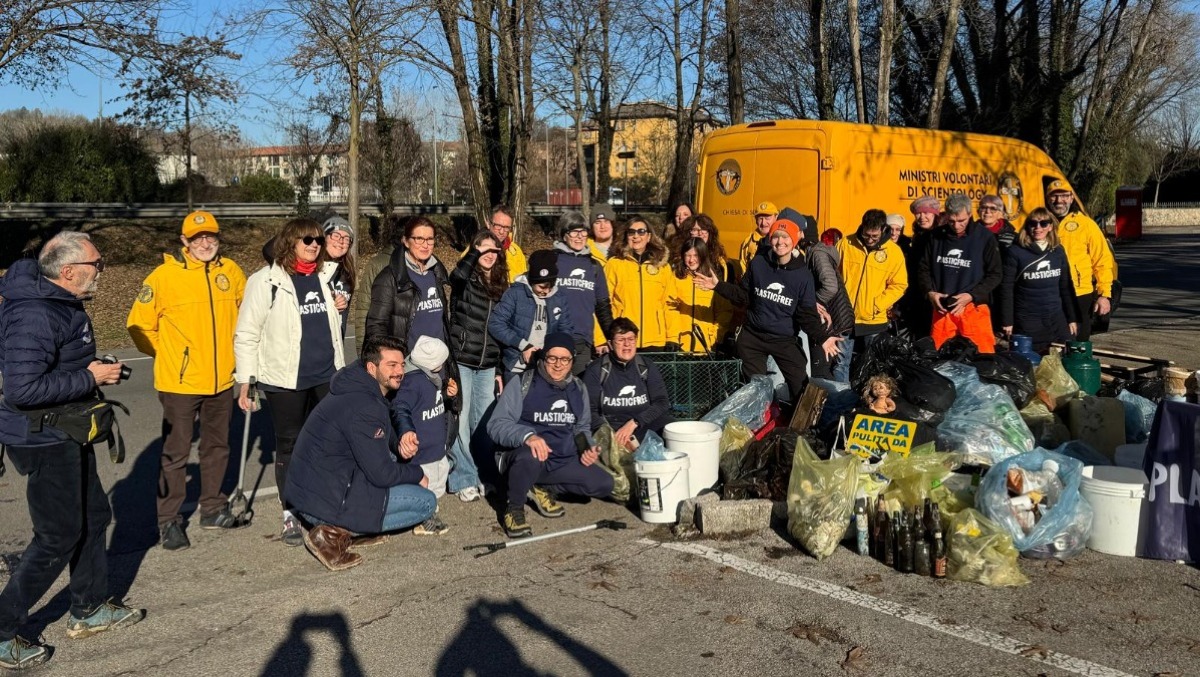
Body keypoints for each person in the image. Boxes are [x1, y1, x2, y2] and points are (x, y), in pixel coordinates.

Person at [0, 233, 144, 669]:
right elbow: (22, 388)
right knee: (57, 535)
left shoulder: (58, 300)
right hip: (42, 436)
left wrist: (91, 368)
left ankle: (88, 607)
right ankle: (4, 630)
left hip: (68, 429)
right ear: (68, 271)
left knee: (95, 516)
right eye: (97, 264)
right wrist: (90, 377)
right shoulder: (35, 313)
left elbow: (53, 364)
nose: (102, 270)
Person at [126, 210, 248, 551]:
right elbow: (138, 325)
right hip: (179, 384)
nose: (205, 243)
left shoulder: (232, 271)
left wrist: (244, 366)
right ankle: (169, 521)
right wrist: (168, 355)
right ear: (184, 242)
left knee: (217, 447)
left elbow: (247, 320)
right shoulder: (164, 276)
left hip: (222, 380)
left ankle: (212, 507)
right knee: (175, 453)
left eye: (210, 236)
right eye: (197, 238)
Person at [234, 218, 347, 547]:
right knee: (290, 446)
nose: (314, 245)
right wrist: (246, 380)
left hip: (326, 374)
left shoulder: (326, 276)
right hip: (285, 379)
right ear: (289, 243)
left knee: (326, 443)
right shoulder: (265, 281)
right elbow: (247, 334)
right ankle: (291, 512)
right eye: (306, 240)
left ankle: (322, 504)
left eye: (317, 240)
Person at [286, 335, 438, 572]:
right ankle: (330, 535)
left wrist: (398, 444)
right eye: (391, 365)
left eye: (402, 365)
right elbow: (382, 475)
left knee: (393, 463)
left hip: (316, 490)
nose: (400, 371)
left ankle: (356, 528)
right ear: (371, 367)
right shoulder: (365, 407)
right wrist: (417, 473)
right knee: (425, 502)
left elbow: (375, 439)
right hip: (325, 503)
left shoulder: (357, 387)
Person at [696, 219, 841, 405]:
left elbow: (805, 314)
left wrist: (823, 337)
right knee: (755, 389)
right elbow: (743, 296)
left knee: (800, 386)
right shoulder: (759, 263)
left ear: (794, 240)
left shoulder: (803, 275)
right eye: (776, 237)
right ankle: (760, 424)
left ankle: (801, 428)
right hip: (753, 338)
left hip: (783, 339)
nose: (780, 242)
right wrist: (718, 285)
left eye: (785, 237)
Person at [487, 332, 613, 538]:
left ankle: (539, 486)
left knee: (603, 484)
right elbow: (496, 425)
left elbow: (581, 427)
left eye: (565, 359)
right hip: (523, 456)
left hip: (559, 459)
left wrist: (586, 447)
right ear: (544, 357)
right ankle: (514, 508)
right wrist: (528, 436)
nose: (558, 364)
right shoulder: (523, 383)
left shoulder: (578, 388)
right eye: (552, 358)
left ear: (572, 361)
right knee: (530, 456)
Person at [448, 230, 508, 500]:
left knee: (483, 421)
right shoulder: (465, 279)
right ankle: (463, 477)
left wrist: (497, 369)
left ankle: (484, 473)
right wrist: (476, 250)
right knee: (460, 420)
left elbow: (499, 329)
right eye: (483, 250)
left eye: (494, 251)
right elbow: (455, 276)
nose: (489, 255)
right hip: (462, 359)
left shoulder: (500, 285)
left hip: (487, 364)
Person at [392, 336, 460, 536]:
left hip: (437, 447)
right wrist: (406, 431)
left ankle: (431, 509)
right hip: (422, 450)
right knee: (425, 484)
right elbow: (400, 407)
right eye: (440, 362)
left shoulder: (432, 376)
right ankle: (423, 517)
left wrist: (448, 394)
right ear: (431, 363)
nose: (443, 365)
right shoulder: (412, 382)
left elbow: (434, 401)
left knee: (439, 478)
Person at [918, 193, 1003, 352]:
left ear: (970, 214)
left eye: (961, 221)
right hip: (942, 309)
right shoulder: (936, 237)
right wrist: (930, 293)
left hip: (973, 308)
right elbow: (923, 269)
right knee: (938, 358)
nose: (956, 226)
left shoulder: (985, 238)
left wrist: (972, 295)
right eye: (951, 221)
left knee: (983, 357)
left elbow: (995, 274)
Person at [365, 216, 452, 353]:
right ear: (406, 241)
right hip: (408, 365)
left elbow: (442, 326)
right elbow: (376, 327)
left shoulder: (436, 274)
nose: (425, 245)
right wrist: (393, 362)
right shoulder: (389, 278)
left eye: (430, 239)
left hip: (439, 366)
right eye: (419, 239)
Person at [584, 318, 674, 449]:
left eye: (631, 339)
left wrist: (635, 422)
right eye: (621, 340)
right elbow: (589, 410)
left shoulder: (646, 366)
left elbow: (662, 402)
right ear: (610, 344)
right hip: (610, 426)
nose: (627, 344)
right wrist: (609, 434)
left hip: (641, 422)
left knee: (675, 428)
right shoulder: (597, 369)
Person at [1045, 179, 1116, 341]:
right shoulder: (1040, 224)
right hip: (1049, 292)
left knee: (1078, 341)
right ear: (1048, 199)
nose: (1058, 201)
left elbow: (1102, 260)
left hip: (1080, 293)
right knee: (1051, 342)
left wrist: (1104, 294)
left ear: (1071, 198)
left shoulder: (1086, 224)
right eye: (1054, 196)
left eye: (1063, 196)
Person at [1000, 208, 1079, 352]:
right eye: (1033, 223)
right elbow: (1006, 289)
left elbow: (1066, 287)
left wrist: (1071, 318)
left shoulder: (1058, 251)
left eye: (1043, 223)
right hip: (1027, 318)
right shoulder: (1015, 252)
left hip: (1055, 316)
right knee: (1032, 362)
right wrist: (1007, 321)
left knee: (1067, 354)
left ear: (1050, 227)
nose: (1038, 228)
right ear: (1027, 226)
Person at [490, 250, 576, 381]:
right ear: (532, 281)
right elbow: (496, 324)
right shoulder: (515, 293)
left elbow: (566, 330)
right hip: (517, 366)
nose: (546, 291)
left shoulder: (559, 298)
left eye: (550, 286)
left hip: (548, 366)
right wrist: (523, 345)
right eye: (541, 287)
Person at [836, 210, 908, 366]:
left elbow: (899, 284)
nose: (869, 239)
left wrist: (877, 304)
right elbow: (833, 274)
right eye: (866, 235)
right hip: (844, 316)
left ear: (883, 229)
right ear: (862, 227)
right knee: (840, 363)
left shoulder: (894, 252)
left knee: (874, 364)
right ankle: (839, 391)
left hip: (873, 319)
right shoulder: (845, 244)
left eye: (874, 236)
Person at [552, 211, 614, 375]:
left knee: (578, 390)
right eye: (574, 232)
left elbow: (603, 306)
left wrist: (611, 335)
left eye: (583, 232)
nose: (579, 236)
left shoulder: (593, 266)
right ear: (565, 235)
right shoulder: (552, 260)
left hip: (583, 340)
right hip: (555, 337)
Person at [604, 215, 671, 349]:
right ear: (626, 236)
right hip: (624, 339)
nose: (636, 236)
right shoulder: (615, 264)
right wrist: (605, 335)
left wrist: (672, 337)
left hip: (655, 339)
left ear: (649, 236)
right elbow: (604, 302)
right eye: (631, 232)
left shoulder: (662, 266)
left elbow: (669, 304)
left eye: (641, 231)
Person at [801, 229, 855, 383]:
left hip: (834, 316)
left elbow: (830, 286)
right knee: (838, 365)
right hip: (840, 315)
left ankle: (835, 402)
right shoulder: (824, 251)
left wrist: (814, 302)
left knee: (830, 367)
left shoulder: (817, 254)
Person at [666, 236, 734, 352]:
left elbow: (723, 312)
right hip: (681, 345)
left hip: (705, 346)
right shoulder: (675, 278)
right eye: (688, 255)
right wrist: (672, 337)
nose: (691, 260)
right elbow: (669, 309)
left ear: (702, 256)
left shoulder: (713, 280)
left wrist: (714, 336)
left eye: (696, 255)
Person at [351, 215, 402, 353]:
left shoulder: (425, 266)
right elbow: (363, 308)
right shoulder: (378, 264)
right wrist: (362, 350)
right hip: (387, 349)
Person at [897, 196, 942, 339]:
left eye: (926, 213)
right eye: (918, 213)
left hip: (934, 297)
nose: (922, 217)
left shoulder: (941, 238)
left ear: (935, 214)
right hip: (916, 298)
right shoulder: (917, 238)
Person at [322, 215, 357, 337]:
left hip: (338, 341)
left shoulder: (347, 270)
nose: (341, 241)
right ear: (324, 237)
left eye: (347, 239)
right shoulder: (312, 267)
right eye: (336, 236)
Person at [483, 204, 527, 282]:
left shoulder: (516, 252)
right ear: (488, 224)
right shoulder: (475, 250)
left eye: (506, 227)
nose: (501, 231)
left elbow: (523, 282)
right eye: (498, 226)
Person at [738, 201, 779, 276]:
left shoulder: (782, 240)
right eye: (760, 218)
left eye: (767, 218)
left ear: (776, 217)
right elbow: (743, 266)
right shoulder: (748, 242)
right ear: (756, 220)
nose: (763, 223)